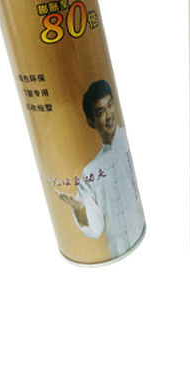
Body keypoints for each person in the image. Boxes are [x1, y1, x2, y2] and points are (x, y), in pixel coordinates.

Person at [55, 80, 145, 258]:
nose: (109, 115)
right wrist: (80, 208)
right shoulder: (91, 172)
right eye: (100, 112)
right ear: (91, 122)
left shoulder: (131, 139)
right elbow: (95, 229)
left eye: (110, 105)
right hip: (118, 252)